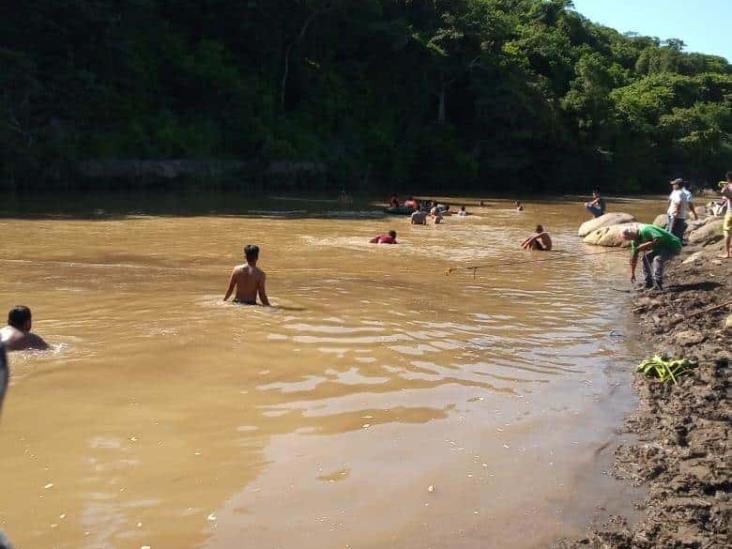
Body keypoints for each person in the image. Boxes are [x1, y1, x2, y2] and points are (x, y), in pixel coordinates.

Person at [621, 224, 682, 291]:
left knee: (657, 259)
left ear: (632, 234)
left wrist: (646, 245)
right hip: (659, 248)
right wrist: (632, 273)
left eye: (630, 238)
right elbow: (633, 258)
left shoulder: (646, 230)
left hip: (673, 246)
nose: (631, 240)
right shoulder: (634, 241)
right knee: (645, 258)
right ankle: (648, 283)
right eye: (629, 239)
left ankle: (658, 283)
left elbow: (659, 238)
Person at [721, 172, 732, 259]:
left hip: (730, 212)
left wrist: (725, 188)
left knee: (727, 232)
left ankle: (727, 253)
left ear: (728, 179)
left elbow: (723, 192)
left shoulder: (728, 187)